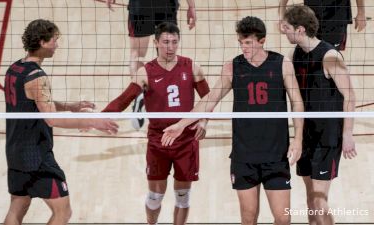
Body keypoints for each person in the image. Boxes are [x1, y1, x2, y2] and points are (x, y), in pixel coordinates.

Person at [162, 17, 304, 225]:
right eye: (241, 42)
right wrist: (181, 124)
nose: (244, 47)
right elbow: (209, 100)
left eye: (248, 42)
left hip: (275, 154)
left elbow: (297, 103)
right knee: (248, 218)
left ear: (262, 40)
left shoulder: (282, 64)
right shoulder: (232, 67)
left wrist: (298, 139)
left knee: (283, 218)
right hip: (244, 156)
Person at [3, 19, 119, 225]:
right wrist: (90, 121)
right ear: (42, 42)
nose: (57, 44)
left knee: (18, 205)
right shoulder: (37, 76)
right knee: (63, 212)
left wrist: (69, 106)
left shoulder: (14, 69)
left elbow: (33, 102)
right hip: (36, 156)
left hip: (14, 151)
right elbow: (52, 118)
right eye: (54, 40)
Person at [101, 22, 209, 225]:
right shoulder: (146, 71)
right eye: (166, 42)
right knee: (154, 197)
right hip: (158, 141)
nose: (170, 47)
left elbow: (208, 99)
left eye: (175, 42)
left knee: (183, 196)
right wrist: (98, 118)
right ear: (156, 42)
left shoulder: (192, 67)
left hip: (186, 140)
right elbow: (123, 100)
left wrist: (203, 120)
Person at [282, 5, 357, 225]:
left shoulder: (330, 56)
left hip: (327, 137)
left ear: (300, 30)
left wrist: (348, 134)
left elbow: (350, 96)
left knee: (319, 200)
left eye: (286, 27)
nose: (283, 30)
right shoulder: (294, 54)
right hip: (306, 135)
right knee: (310, 200)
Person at [107, 0, 197, 130]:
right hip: (166, 5)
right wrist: (191, 6)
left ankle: (140, 94)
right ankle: (166, 103)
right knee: (167, 52)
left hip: (140, 5)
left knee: (136, 53)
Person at [279, 0, 366, 51]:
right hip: (310, 15)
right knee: (308, 52)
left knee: (331, 55)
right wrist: (282, 14)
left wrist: (361, 12)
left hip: (336, 16)